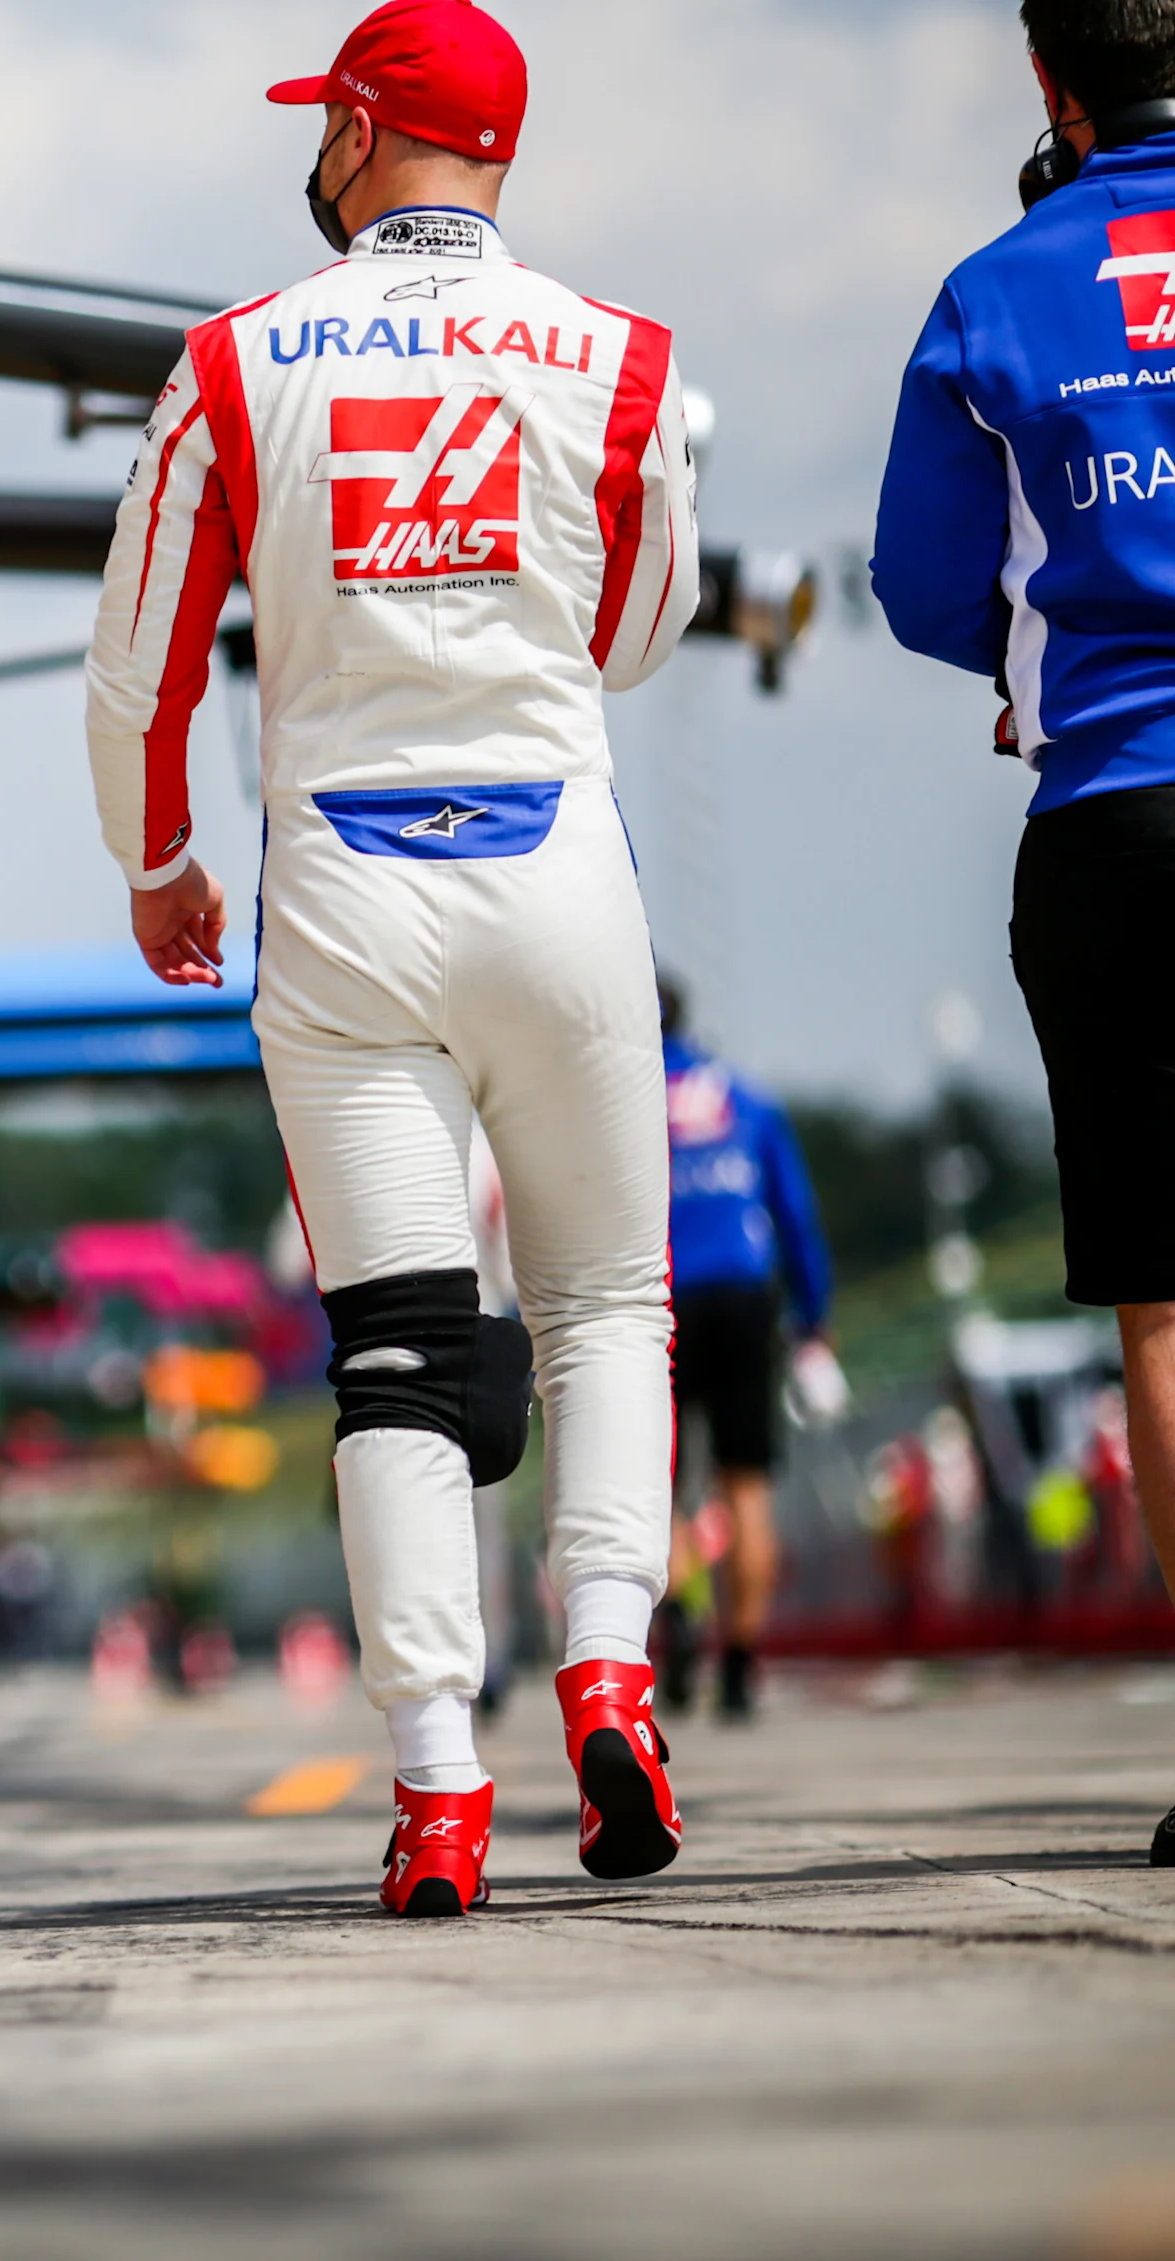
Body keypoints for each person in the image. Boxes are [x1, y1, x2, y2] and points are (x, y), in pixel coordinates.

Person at [88, 0, 700, 1914]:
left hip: (343, 891)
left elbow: (136, 666)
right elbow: (638, 636)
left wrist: (158, 864)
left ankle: (438, 1785)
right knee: (605, 1306)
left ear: (355, 133)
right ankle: (608, 1671)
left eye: (321, 124)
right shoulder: (621, 358)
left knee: (397, 1355)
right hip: (555, 866)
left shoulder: (231, 359)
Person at [871, 0, 1175, 1871]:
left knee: (1163, 1301)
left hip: (1118, 820)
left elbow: (919, 585)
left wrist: (1026, 653)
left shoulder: (995, 288)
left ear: (1052, 85)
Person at [653, 978, 842, 1723]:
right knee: (747, 1484)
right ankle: (738, 1663)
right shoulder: (747, 1099)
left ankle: (677, 1617)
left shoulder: (626, 1101)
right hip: (742, 1292)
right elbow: (795, 1215)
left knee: (660, 1488)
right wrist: (814, 1314)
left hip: (659, 1298)